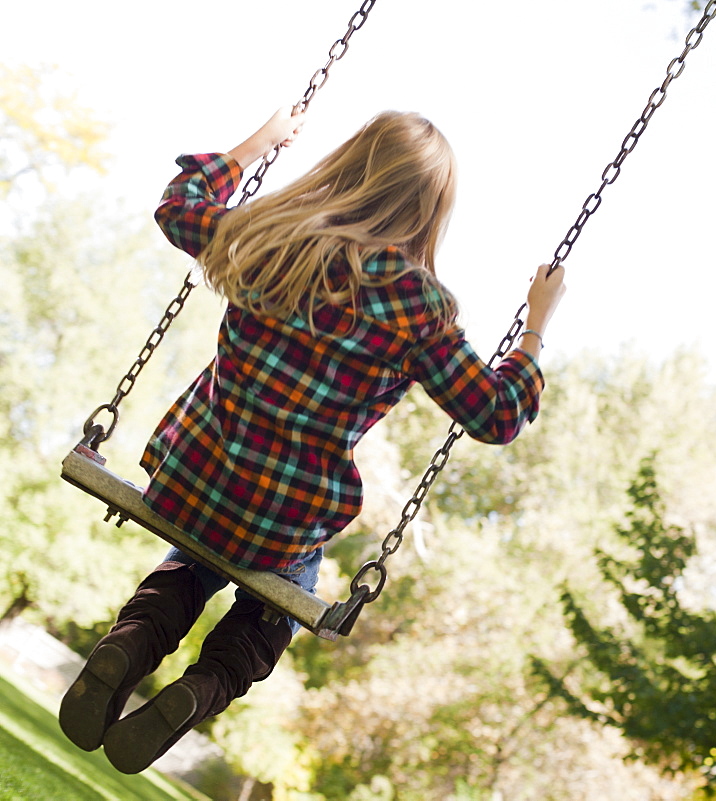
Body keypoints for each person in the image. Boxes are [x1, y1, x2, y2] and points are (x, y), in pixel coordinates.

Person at [59, 107, 566, 774]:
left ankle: (131, 641)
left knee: (194, 559)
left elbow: (179, 204)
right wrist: (534, 325)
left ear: (351, 165)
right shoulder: (417, 306)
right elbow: (497, 414)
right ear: (428, 209)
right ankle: (201, 688)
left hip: (189, 479)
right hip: (283, 523)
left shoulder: (271, 236)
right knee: (278, 596)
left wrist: (261, 142)